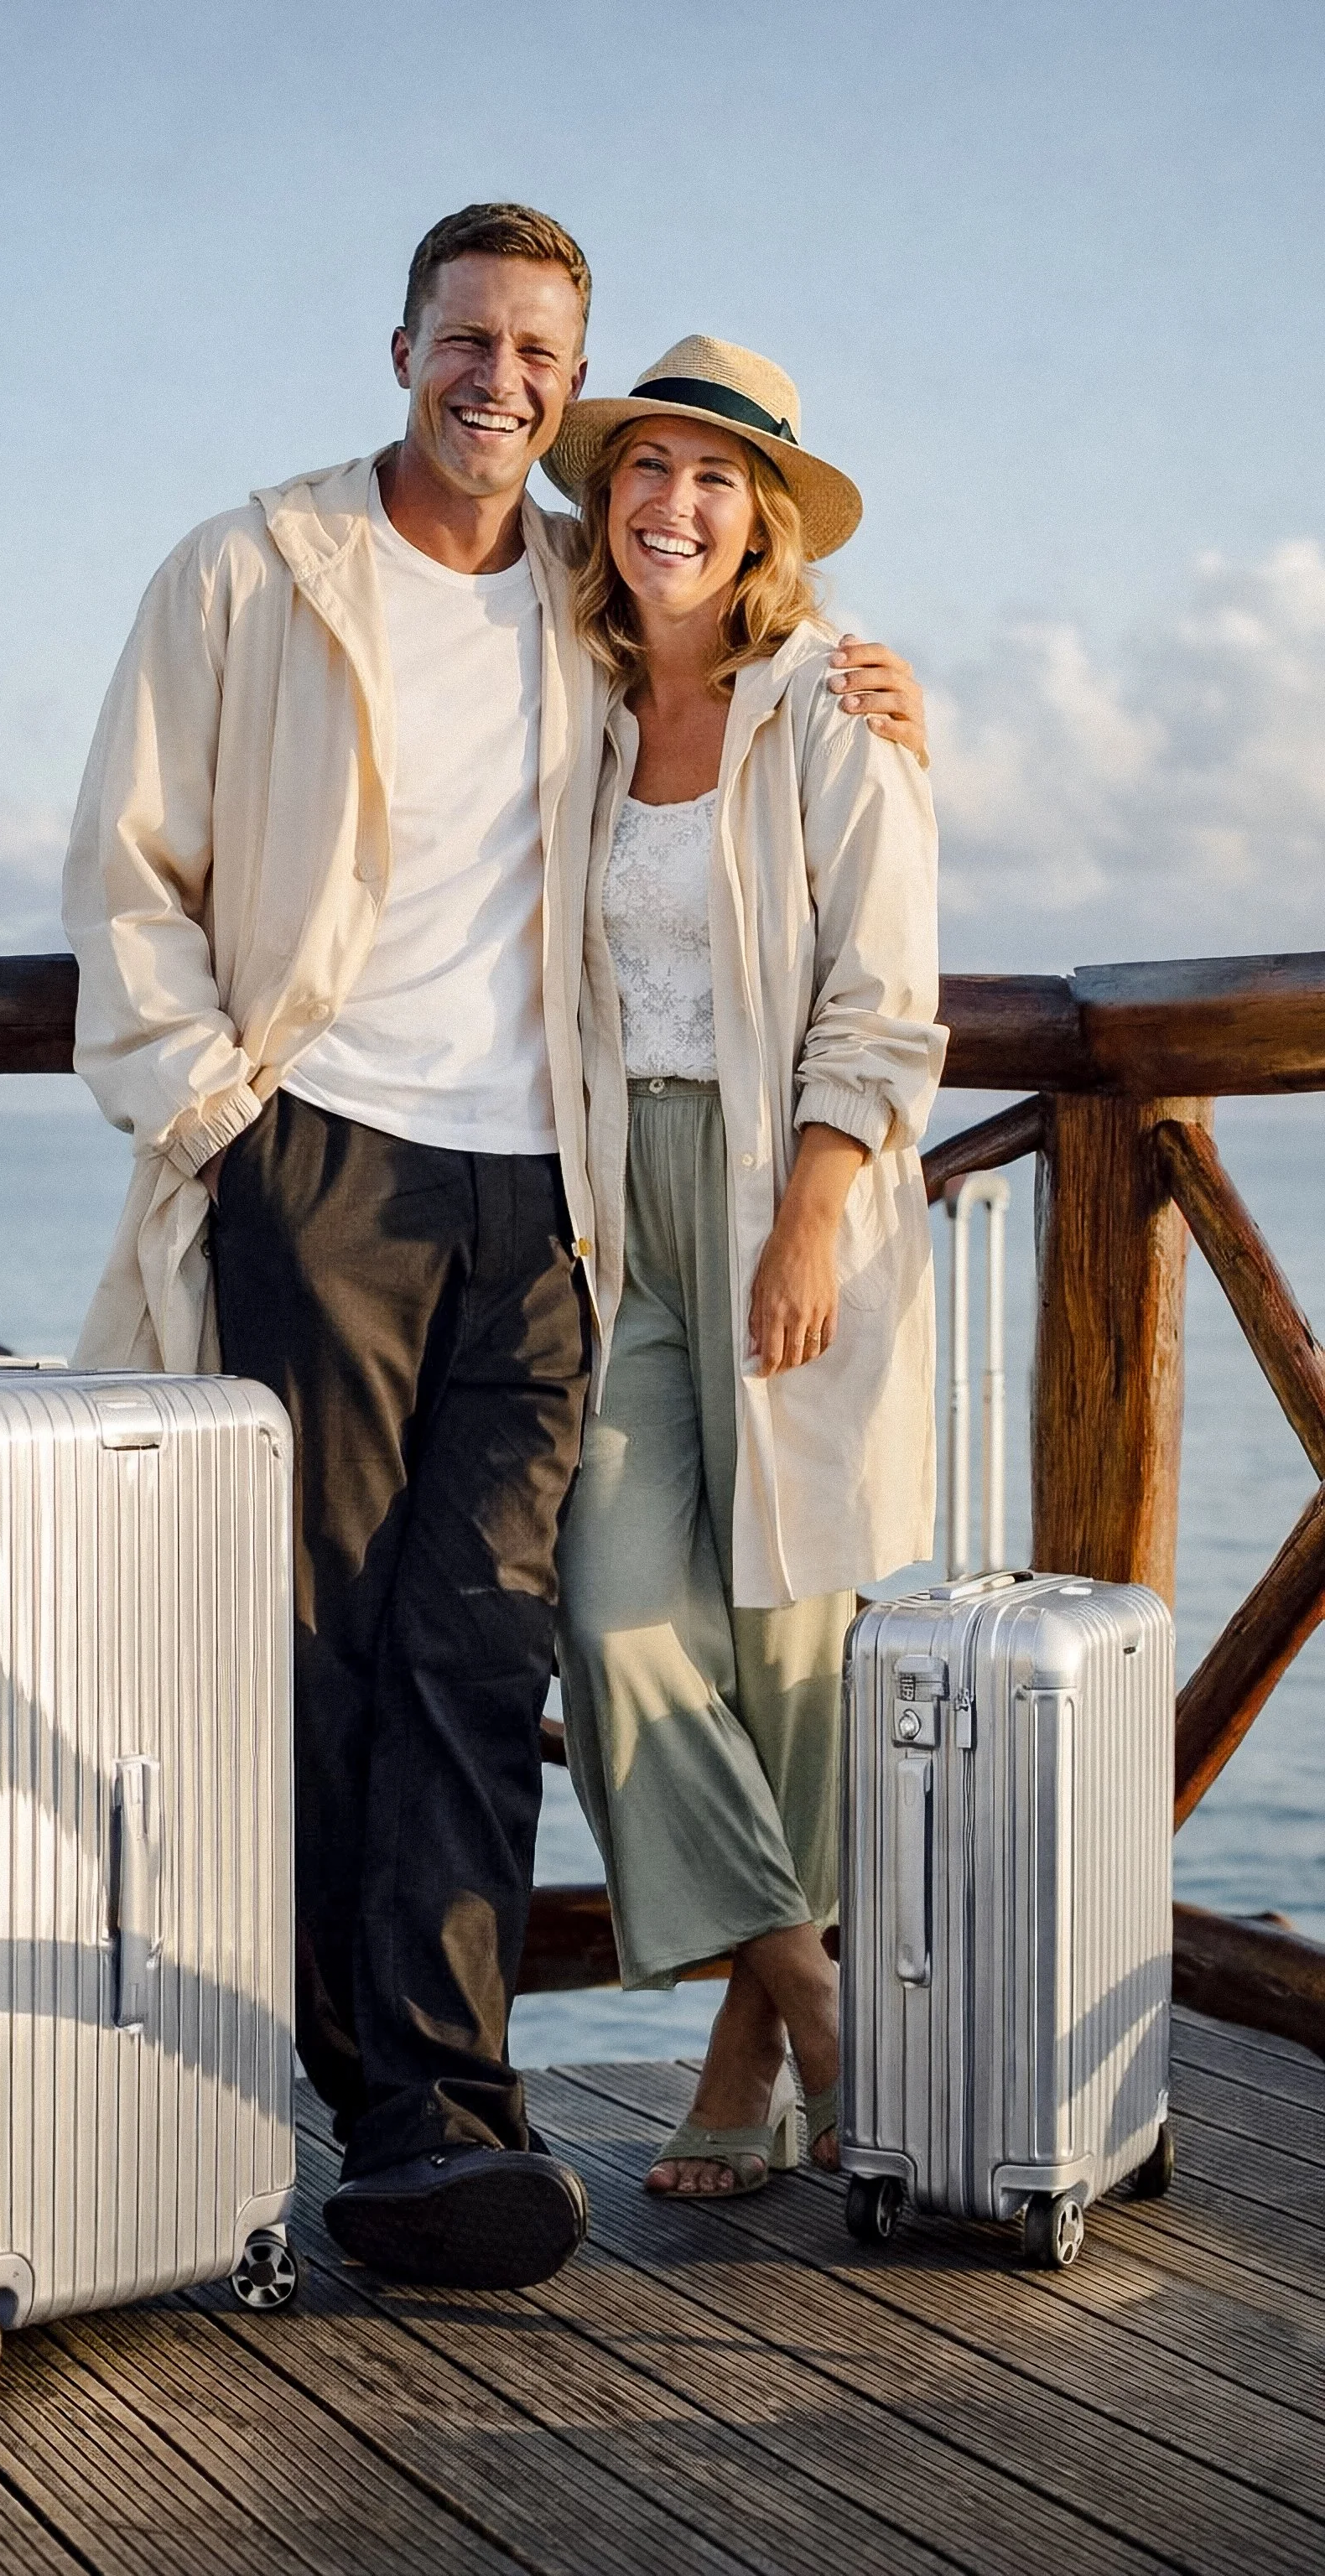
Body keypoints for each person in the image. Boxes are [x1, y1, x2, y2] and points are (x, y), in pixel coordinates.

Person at [62, 212, 928, 2287]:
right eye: (471, 339)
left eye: (542, 350)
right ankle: (359, 2102)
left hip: (548, 1196)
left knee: (483, 1646)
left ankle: (452, 2113)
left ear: (569, 379)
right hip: (325, 1167)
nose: (503, 379)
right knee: (326, 1644)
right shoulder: (252, 573)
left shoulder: (585, 595)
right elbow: (125, 870)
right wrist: (223, 1127)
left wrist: (878, 692)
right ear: (401, 349)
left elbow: (763, 723)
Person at [547, 339, 944, 2198]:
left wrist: (805, 1213)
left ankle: (736, 2052)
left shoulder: (836, 710)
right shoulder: (567, 696)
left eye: (715, 478)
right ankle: (815, 2006)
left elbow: (887, 998)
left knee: (787, 1639)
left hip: (799, 1185)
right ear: (603, 492)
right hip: (611, 1206)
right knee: (619, 1613)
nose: (673, 504)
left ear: (762, 518)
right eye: (646, 467)